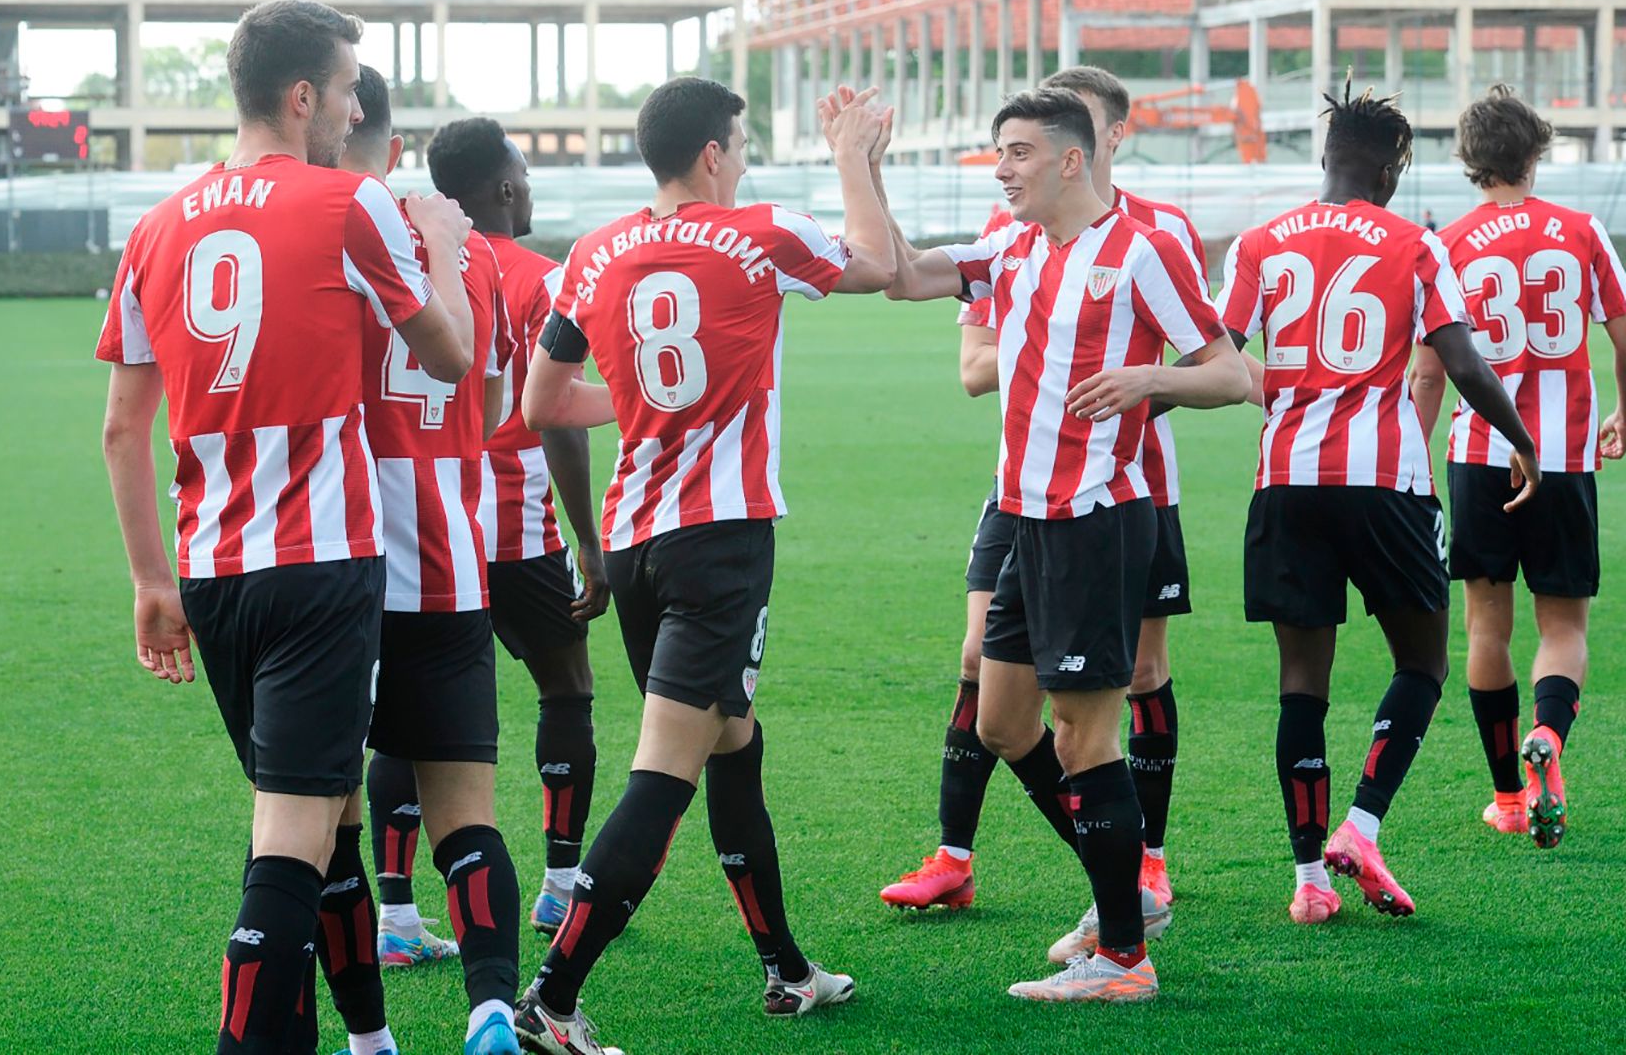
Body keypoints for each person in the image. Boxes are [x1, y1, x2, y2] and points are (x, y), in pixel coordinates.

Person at [96, 1, 474, 1055]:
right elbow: (448, 357)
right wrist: (444, 250)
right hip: (321, 565)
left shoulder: (156, 227)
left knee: (316, 818)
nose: (355, 109)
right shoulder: (351, 200)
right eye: (348, 90)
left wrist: (150, 582)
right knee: (292, 839)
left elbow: (123, 429)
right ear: (303, 96)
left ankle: (361, 1039)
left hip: (213, 571)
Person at [509, 76, 898, 1054]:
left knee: (732, 740)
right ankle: (550, 1000)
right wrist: (852, 155)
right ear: (715, 154)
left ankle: (788, 971)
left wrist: (647, 405)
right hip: (718, 543)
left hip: (634, 541)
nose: (747, 161)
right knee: (666, 772)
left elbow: (542, 404)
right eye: (744, 144)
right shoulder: (764, 232)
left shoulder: (591, 253)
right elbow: (882, 263)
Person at [880, 85, 1252, 1002]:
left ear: (1071, 159)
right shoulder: (1010, 247)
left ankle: (1123, 956)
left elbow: (1232, 374)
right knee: (1005, 725)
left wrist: (1148, 380)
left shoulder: (1142, 249)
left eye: (1017, 152)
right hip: (1025, 520)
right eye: (998, 152)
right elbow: (902, 274)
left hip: (1096, 521)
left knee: (1085, 734)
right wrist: (861, 164)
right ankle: (1126, 895)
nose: (1002, 170)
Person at [1214, 78, 1541, 927]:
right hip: (1386, 482)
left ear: (1325, 159)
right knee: (1423, 663)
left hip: (1285, 482)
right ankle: (1360, 829)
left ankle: (1308, 881)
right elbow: (1461, 364)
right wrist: (1520, 441)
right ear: (1391, 173)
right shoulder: (1414, 244)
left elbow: (1217, 355)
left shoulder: (1259, 243)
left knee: (1301, 685)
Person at [361, 115, 609, 942]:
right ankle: (561, 885)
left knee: (405, 716)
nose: (529, 185)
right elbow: (555, 418)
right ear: (504, 187)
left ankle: (397, 911)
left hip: (422, 529)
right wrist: (589, 541)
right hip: (514, 526)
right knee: (566, 687)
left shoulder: (406, 256)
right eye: (525, 173)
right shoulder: (539, 277)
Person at [320, 66, 526, 1055]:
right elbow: (488, 405)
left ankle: (370, 1041)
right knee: (466, 817)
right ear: (397, 149)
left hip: (338, 561)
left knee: (328, 825)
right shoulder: (470, 250)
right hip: (448, 558)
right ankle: (492, 1009)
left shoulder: (317, 237)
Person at [1425, 84, 1626, 848]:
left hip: (1478, 453)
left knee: (1486, 624)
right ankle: (1549, 733)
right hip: (1563, 454)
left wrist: (1413, 458)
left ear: (1469, 160)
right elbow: (1622, 328)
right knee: (1564, 624)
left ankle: (1508, 796)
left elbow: (1429, 371)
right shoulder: (1580, 230)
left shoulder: (1446, 245)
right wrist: (1624, 409)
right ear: (1536, 152)